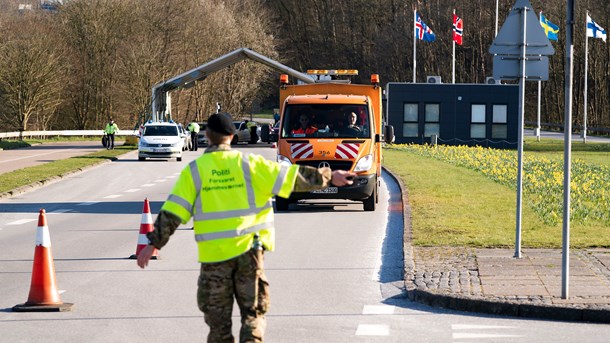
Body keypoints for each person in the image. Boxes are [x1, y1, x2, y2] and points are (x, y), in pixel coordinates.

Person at [137, 113, 355, 342]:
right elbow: (292, 177)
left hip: (214, 258)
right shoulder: (250, 165)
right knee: (253, 315)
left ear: (207, 135)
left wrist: (153, 244)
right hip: (249, 253)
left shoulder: (195, 171)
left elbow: (173, 213)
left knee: (218, 324)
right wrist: (329, 177)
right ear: (232, 136)